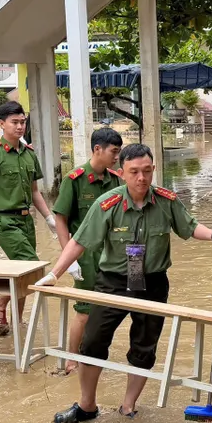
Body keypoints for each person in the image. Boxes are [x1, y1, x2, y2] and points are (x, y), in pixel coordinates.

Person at [36, 144, 212, 422]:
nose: (142, 178)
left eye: (147, 171)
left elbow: (189, 227)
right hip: (113, 282)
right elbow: (79, 241)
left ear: (154, 170)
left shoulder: (166, 200)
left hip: (153, 283)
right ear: (122, 173)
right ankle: (87, 406)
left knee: (144, 347)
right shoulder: (107, 204)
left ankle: (128, 406)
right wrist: (55, 273)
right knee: (92, 342)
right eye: (134, 172)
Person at [0, 101, 57, 333]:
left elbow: (34, 192)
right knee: (31, 266)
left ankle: (17, 321)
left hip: (26, 219)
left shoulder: (29, 155)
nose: (20, 126)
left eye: (22, 122)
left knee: (22, 269)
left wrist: (49, 218)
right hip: (3, 220)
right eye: (14, 122)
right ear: (2, 124)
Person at [51, 127, 124, 374]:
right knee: (84, 310)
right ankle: (72, 360)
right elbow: (61, 219)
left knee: (106, 309)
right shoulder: (75, 180)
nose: (117, 157)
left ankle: (91, 355)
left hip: (111, 255)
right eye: (114, 151)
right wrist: (68, 259)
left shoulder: (115, 180)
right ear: (97, 149)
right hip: (85, 256)